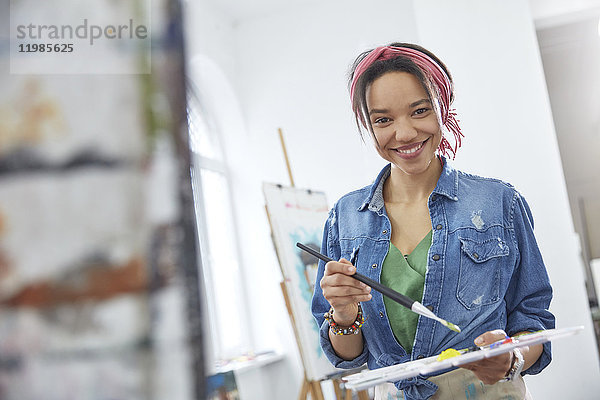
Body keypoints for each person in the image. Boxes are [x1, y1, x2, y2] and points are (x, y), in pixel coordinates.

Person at [311, 43, 555, 400]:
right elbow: (348, 356)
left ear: (443, 105)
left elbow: (532, 319)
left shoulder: (500, 202)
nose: (405, 133)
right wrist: (344, 314)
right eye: (383, 120)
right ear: (368, 125)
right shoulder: (344, 219)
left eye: (419, 110)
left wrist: (512, 357)